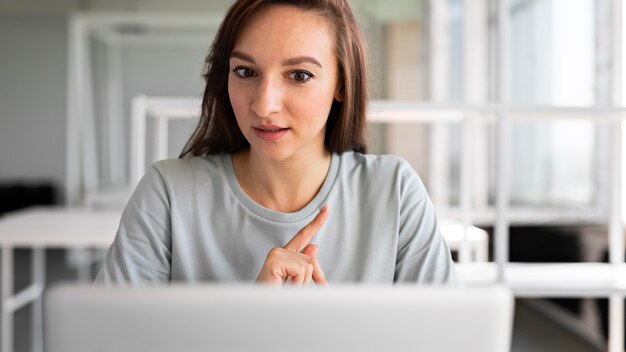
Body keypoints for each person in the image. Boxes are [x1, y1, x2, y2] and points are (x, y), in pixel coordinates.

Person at [96, 0, 460, 285]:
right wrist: (253, 322)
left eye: (299, 75)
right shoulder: (167, 194)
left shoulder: (394, 192)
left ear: (342, 85)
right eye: (245, 72)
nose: (263, 104)